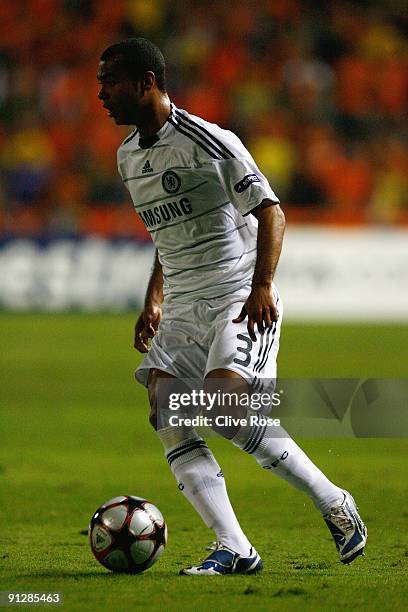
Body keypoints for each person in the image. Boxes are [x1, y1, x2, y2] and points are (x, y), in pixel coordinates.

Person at [97, 37, 367, 576]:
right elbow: (167, 233)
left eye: (111, 83)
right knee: (164, 407)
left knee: (222, 405)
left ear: (146, 83)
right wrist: (154, 299)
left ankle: (334, 501)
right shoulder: (128, 157)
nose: (102, 95)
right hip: (182, 305)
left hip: (236, 295)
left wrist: (262, 286)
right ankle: (235, 547)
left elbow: (270, 211)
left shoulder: (208, 140)